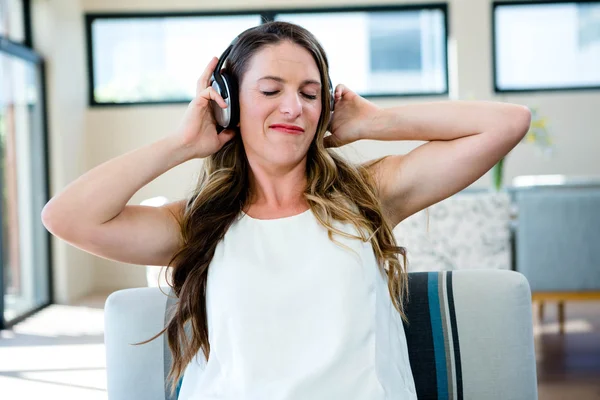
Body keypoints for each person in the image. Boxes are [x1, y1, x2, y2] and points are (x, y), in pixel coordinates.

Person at [41, 21, 531, 400]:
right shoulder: (198, 222)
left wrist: (377, 122)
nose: (293, 107)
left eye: (310, 93)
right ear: (229, 105)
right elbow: (66, 217)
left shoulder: (368, 195)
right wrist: (182, 143)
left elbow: (507, 123)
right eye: (271, 91)